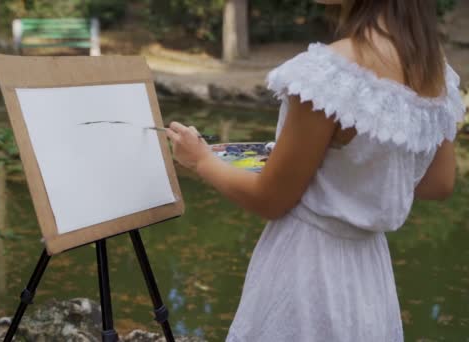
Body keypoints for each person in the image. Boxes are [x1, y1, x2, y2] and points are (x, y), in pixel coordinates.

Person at [164, 0, 466, 340]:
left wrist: (201, 160)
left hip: (306, 274)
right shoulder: (433, 72)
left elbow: (270, 200)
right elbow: (438, 183)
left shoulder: (330, 73)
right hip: (369, 278)